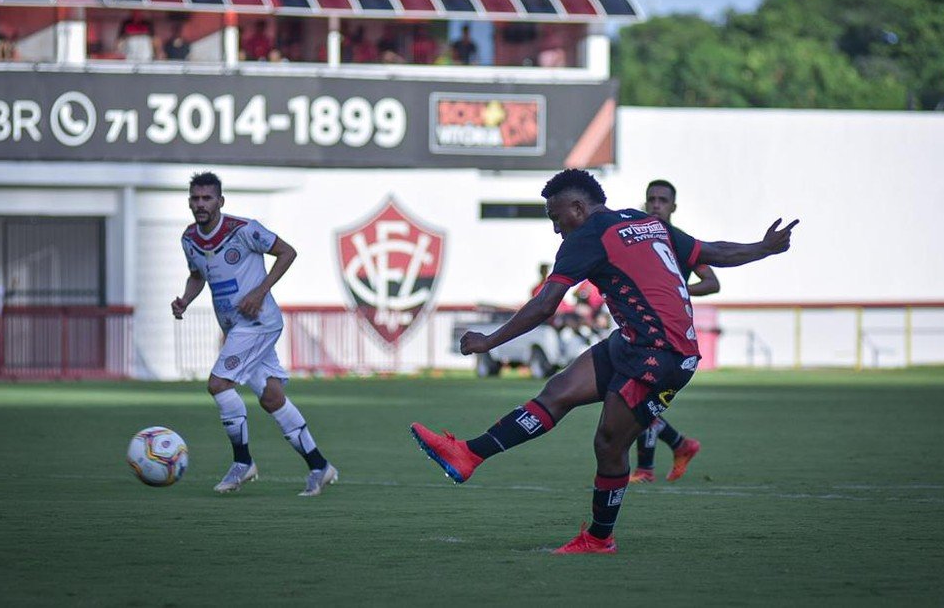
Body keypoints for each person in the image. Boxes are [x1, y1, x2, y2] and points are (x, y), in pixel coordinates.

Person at [410, 169, 797, 553]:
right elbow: (711, 252)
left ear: (577, 208)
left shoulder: (586, 237)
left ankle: (598, 539)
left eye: (556, 217)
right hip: (633, 342)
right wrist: (762, 248)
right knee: (558, 391)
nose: (557, 229)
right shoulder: (643, 220)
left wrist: (489, 340)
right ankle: (468, 454)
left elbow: (546, 305)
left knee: (608, 444)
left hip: (662, 355)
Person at [172, 172, 337, 497]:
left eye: (207, 198)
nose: (200, 204)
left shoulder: (244, 230)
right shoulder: (189, 239)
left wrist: (260, 292)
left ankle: (242, 462)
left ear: (221, 201)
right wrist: (185, 300)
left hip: (259, 321)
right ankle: (320, 466)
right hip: (236, 327)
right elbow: (197, 275)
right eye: (195, 198)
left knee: (218, 384)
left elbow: (287, 252)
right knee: (272, 398)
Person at [628, 179, 721, 484]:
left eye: (662, 200)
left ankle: (646, 469)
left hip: (670, 336)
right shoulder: (633, 239)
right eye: (651, 199)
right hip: (641, 331)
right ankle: (680, 445)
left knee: (638, 398)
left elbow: (712, 282)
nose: (656, 204)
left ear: (673, 207)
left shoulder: (680, 242)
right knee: (635, 399)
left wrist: (678, 290)